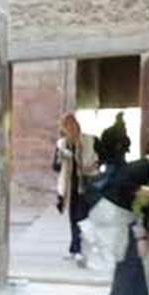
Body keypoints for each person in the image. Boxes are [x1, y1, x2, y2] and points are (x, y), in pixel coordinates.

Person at [81, 135, 149, 295]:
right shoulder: (143, 166)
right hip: (114, 214)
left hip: (119, 215)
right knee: (127, 258)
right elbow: (125, 187)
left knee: (132, 257)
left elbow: (141, 203)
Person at [53, 113, 100, 264]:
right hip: (70, 186)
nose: (70, 129)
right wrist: (62, 158)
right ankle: (76, 248)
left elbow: (102, 157)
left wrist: (94, 165)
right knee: (75, 217)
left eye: (72, 125)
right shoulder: (62, 144)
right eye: (66, 126)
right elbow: (55, 166)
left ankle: (80, 248)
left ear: (77, 125)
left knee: (83, 217)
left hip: (88, 183)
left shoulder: (91, 140)